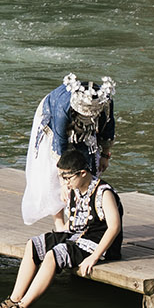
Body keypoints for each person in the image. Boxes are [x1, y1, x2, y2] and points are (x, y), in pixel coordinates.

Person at [0, 149, 123, 308]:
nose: (65, 183)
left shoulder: (104, 193)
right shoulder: (75, 188)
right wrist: (56, 237)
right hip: (76, 234)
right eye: (62, 178)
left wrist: (94, 257)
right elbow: (74, 221)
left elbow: (114, 227)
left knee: (54, 255)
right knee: (34, 244)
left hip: (97, 243)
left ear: (83, 173)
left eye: (67, 178)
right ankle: (14, 299)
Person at [21, 72, 115, 224]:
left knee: (87, 164)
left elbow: (108, 129)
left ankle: (82, 215)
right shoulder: (62, 107)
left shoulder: (105, 102)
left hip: (87, 129)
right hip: (51, 121)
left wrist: (105, 155)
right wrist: (64, 182)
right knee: (53, 171)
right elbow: (59, 145)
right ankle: (59, 222)